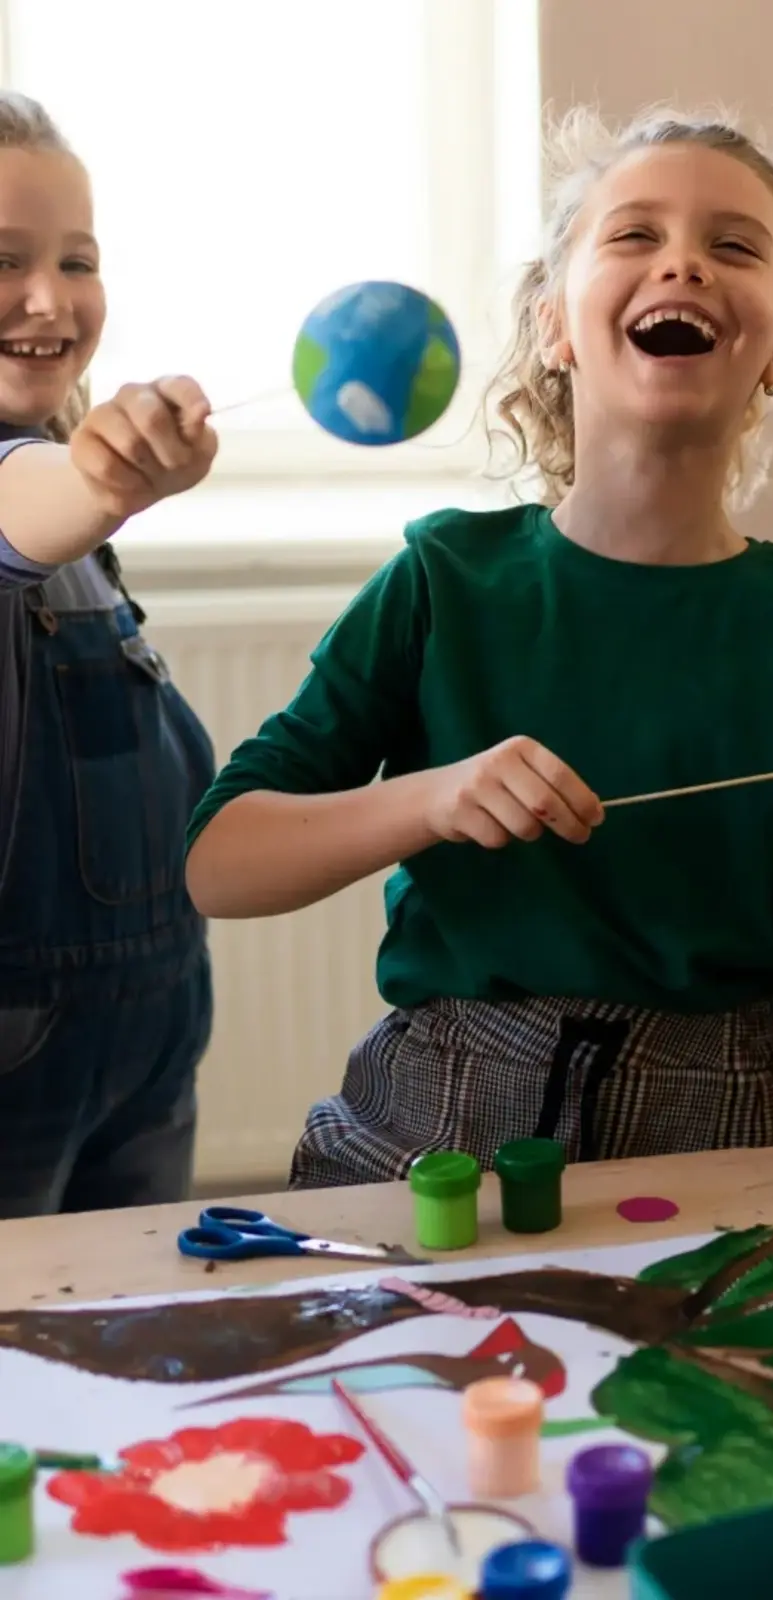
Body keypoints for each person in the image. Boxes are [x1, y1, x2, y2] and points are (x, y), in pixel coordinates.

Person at [186, 107, 773, 1185]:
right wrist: (431, 798)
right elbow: (220, 864)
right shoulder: (443, 581)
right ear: (552, 324)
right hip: (434, 1120)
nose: (681, 262)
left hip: (722, 1124)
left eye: (731, 245)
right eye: (633, 236)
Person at [0, 91, 219, 1216]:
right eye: (4, 260)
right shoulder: (43, 487)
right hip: (17, 1052)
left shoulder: (65, 501)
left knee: (129, 1346)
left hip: (146, 1030)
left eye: (76, 259)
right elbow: (18, 503)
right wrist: (93, 479)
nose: (49, 299)